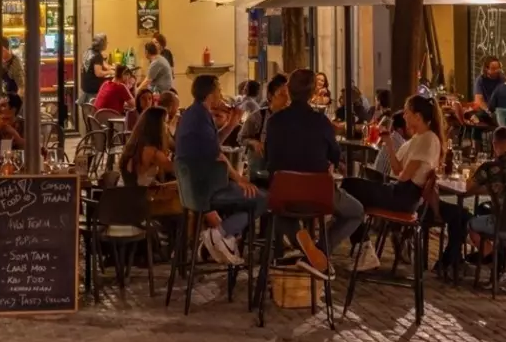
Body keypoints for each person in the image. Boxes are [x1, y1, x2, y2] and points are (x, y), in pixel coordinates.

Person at [262, 68, 364, 273]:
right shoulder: (321, 122)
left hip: (284, 193)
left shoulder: (273, 122)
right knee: (356, 212)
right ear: (311, 94)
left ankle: (309, 252)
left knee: (280, 213)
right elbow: (335, 155)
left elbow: (268, 158)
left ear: (289, 91)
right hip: (318, 194)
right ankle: (320, 251)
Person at [175, 74, 260, 263]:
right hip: (206, 189)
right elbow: (217, 155)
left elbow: (213, 145)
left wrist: (231, 124)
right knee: (261, 199)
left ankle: (220, 238)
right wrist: (240, 179)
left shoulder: (193, 114)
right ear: (211, 94)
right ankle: (219, 234)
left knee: (249, 200)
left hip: (193, 189)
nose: (221, 95)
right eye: (219, 90)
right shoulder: (200, 117)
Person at [440, 127, 506, 272]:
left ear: (494, 144)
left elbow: (468, 188)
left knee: (471, 224)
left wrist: (488, 186)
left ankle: (493, 258)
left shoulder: (490, 167)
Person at [343, 96, 444, 221]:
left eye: (407, 112)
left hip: (404, 197)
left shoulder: (428, 139)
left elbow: (404, 177)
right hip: (400, 192)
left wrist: (388, 181)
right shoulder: (418, 138)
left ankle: (355, 230)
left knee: (350, 186)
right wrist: (389, 144)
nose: (404, 116)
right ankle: (358, 230)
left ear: (418, 117)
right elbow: (397, 170)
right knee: (350, 185)